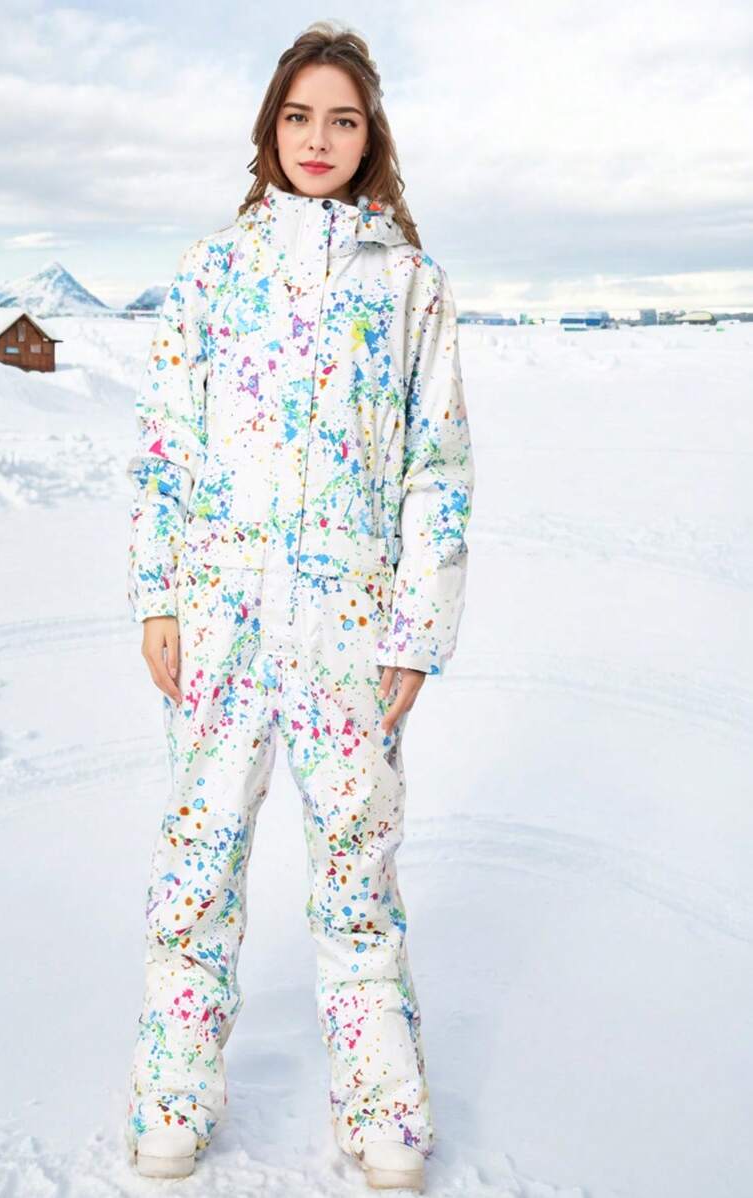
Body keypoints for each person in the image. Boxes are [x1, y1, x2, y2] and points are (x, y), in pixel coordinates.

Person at [124, 20, 474, 1192]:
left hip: (349, 635)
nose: (318, 138)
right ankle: (174, 1091)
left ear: (371, 138)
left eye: (343, 119)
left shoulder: (413, 287)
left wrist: (416, 629)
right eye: (298, 116)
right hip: (223, 619)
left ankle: (382, 1107)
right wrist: (160, 594)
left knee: (357, 877)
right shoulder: (212, 274)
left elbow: (438, 469)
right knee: (198, 863)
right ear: (270, 129)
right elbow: (166, 448)